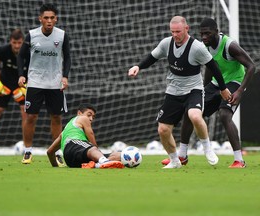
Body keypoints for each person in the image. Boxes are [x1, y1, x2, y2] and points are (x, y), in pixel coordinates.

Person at [128, 16, 231, 169]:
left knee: (195, 116)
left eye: (178, 31)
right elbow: (152, 57)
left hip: (193, 90)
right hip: (173, 91)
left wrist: (223, 89)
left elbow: (214, 67)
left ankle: (207, 149)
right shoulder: (166, 43)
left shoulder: (196, 47)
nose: (175, 35)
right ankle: (175, 161)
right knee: (163, 129)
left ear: (186, 29)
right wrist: (138, 66)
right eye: (173, 31)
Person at [162, 18, 255, 168]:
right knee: (191, 112)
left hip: (234, 83)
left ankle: (239, 160)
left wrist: (239, 91)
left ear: (216, 32)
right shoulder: (204, 47)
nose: (204, 37)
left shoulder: (230, 46)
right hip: (216, 83)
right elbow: (210, 69)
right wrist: (202, 91)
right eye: (202, 34)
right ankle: (182, 155)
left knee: (224, 115)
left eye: (208, 34)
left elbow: (251, 66)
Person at [17, 3, 70, 164]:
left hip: (55, 83)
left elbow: (67, 57)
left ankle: (57, 152)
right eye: (46, 18)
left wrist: (65, 76)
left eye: (52, 18)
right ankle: (27, 151)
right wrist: (21, 75)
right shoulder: (32, 35)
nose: (49, 21)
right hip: (35, 82)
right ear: (40, 19)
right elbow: (21, 56)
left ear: (56, 19)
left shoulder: (62, 35)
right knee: (31, 116)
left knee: (56, 117)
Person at [47, 103, 124, 168]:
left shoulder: (63, 133)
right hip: (74, 146)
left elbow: (50, 152)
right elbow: (91, 134)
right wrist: (96, 149)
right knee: (93, 149)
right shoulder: (82, 118)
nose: (91, 119)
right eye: (89, 115)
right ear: (79, 113)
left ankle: (99, 164)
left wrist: (55, 166)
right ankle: (103, 161)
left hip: (72, 162)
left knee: (116, 155)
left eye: (93, 117)